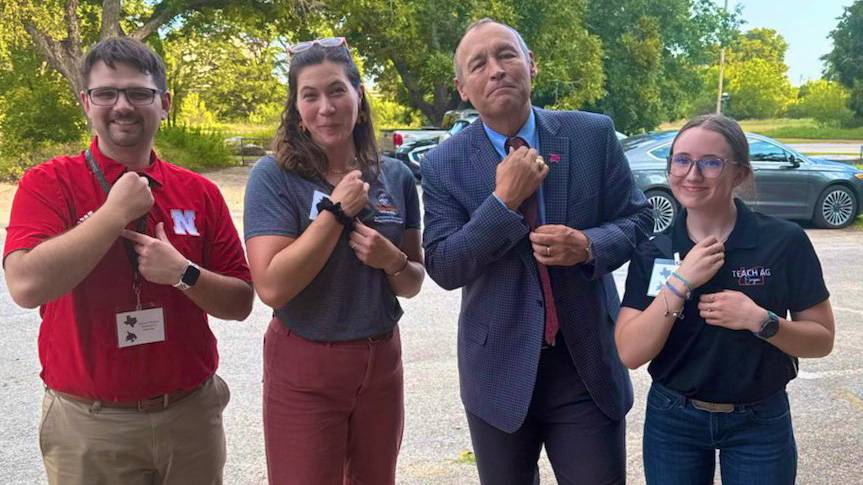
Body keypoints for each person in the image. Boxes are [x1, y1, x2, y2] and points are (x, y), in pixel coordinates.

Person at [2, 37, 254, 485]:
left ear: (164, 104)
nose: (122, 105)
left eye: (139, 93)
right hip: (89, 425)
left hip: (190, 417)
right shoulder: (49, 183)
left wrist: (184, 274)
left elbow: (240, 302)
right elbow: (24, 286)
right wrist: (112, 214)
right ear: (86, 102)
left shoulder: (200, 193)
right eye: (106, 93)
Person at [421, 18, 653, 484]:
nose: (496, 70)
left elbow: (638, 219)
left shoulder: (591, 135)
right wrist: (501, 203)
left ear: (531, 64)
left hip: (584, 363)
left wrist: (587, 246)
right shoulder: (443, 163)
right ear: (462, 88)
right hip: (497, 372)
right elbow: (444, 264)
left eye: (507, 55)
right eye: (478, 63)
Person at [615, 114, 835, 485]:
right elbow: (630, 352)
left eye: (711, 162)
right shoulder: (655, 250)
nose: (692, 174)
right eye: (682, 160)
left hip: (759, 421)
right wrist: (680, 282)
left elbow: (822, 340)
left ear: (740, 174)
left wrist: (761, 321)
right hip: (674, 420)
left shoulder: (783, 242)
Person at [243, 37, 424, 485]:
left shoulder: (395, 176)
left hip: (381, 360)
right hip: (306, 362)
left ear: (358, 99)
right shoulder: (275, 178)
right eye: (311, 95)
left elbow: (413, 281)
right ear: (298, 110)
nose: (326, 106)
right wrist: (336, 212)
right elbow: (272, 286)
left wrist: (392, 261)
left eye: (337, 90)